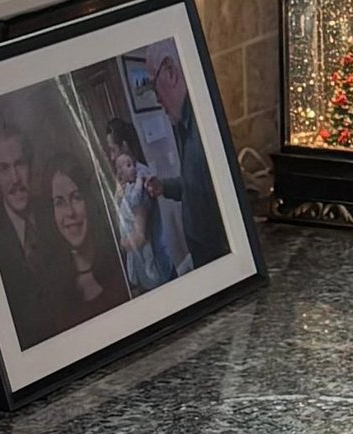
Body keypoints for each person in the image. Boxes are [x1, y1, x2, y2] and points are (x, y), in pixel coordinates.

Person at [0, 118, 65, 348]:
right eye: (5, 168)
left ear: (30, 166)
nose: (15, 178)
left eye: (20, 164)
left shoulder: (57, 212)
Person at [148, 46, 228, 268]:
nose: (157, 98)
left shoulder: (203, 127)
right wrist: (164, 186)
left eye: (154, 86)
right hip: (200, 253)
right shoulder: (182, 123)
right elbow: (194, 185)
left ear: (171, 72)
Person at [46, 148, 128, 328]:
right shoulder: (53, 286)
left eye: (76, 198)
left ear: (89, 201)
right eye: (59, 202)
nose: (69, 212)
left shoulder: (121, 260)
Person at [104, 115, 175, 294]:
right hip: (149, 270)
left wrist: (119, 244)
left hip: (154, 273)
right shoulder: (126, 180)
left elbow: (139, 237)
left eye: (113, 150)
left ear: (125, 147)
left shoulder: (140, 179)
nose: (111, 157)